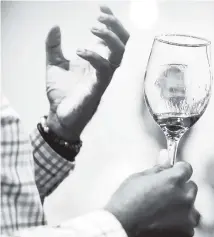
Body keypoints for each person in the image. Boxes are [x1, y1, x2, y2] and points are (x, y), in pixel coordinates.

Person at [1, 5, 199, 237]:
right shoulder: (121, 179)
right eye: (164, 101)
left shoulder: (200, 179)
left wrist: (56, 135)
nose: (175, 112)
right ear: (142, 113)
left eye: (181, 101)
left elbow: (8, 211)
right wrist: (120, 221)